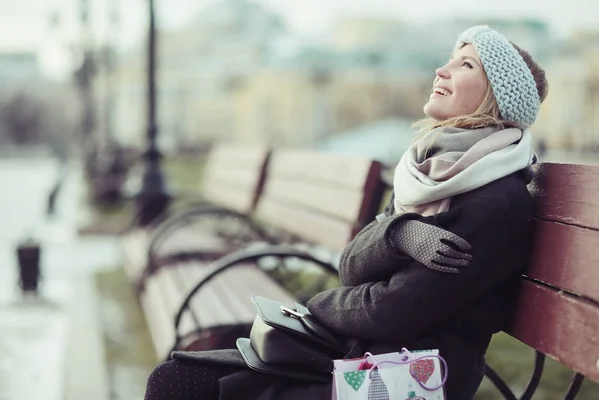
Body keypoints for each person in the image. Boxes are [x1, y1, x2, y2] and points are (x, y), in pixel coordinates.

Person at [143, 25, 548, 400]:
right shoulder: (429, 173)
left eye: (466, 64)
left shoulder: (496, 201)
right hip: (367, 351)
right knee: (177, 378)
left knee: (185, 386)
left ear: (496, 94)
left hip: (413, 376)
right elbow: (352, 266)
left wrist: (317, 306)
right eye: (450, 58)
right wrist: (396, 233)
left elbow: (395, 312)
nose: (441, 70)